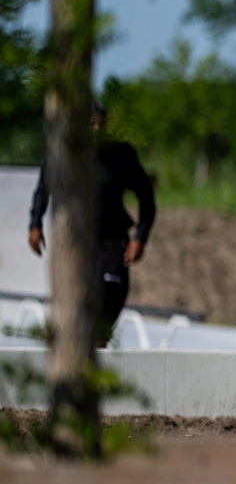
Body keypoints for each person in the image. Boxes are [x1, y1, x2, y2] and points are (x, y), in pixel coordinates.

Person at [29, 100, 157, 347]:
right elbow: (42, 190)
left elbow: (146, 197)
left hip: (112, 237)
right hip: (76, 237)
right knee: (78, 297)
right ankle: (79, 346)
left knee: (109, 289)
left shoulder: (120, 154)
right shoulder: (62, 153)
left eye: (100, 125)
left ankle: (99, 341)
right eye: (89, 125)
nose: (95, 131)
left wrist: (140, 236)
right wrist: (35, 224)